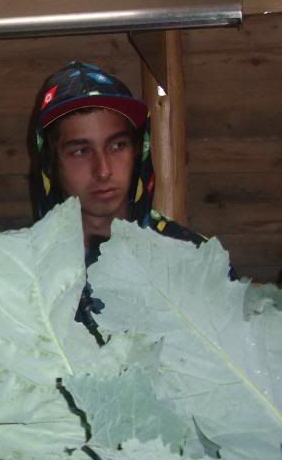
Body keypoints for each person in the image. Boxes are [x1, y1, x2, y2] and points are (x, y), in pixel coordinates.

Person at [31, 60, 224, 332]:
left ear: (138, 150)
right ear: (50, 162)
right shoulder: (22, 271)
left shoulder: (195, 258)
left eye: (117, 146)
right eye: (80, 151)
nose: (103, 170)